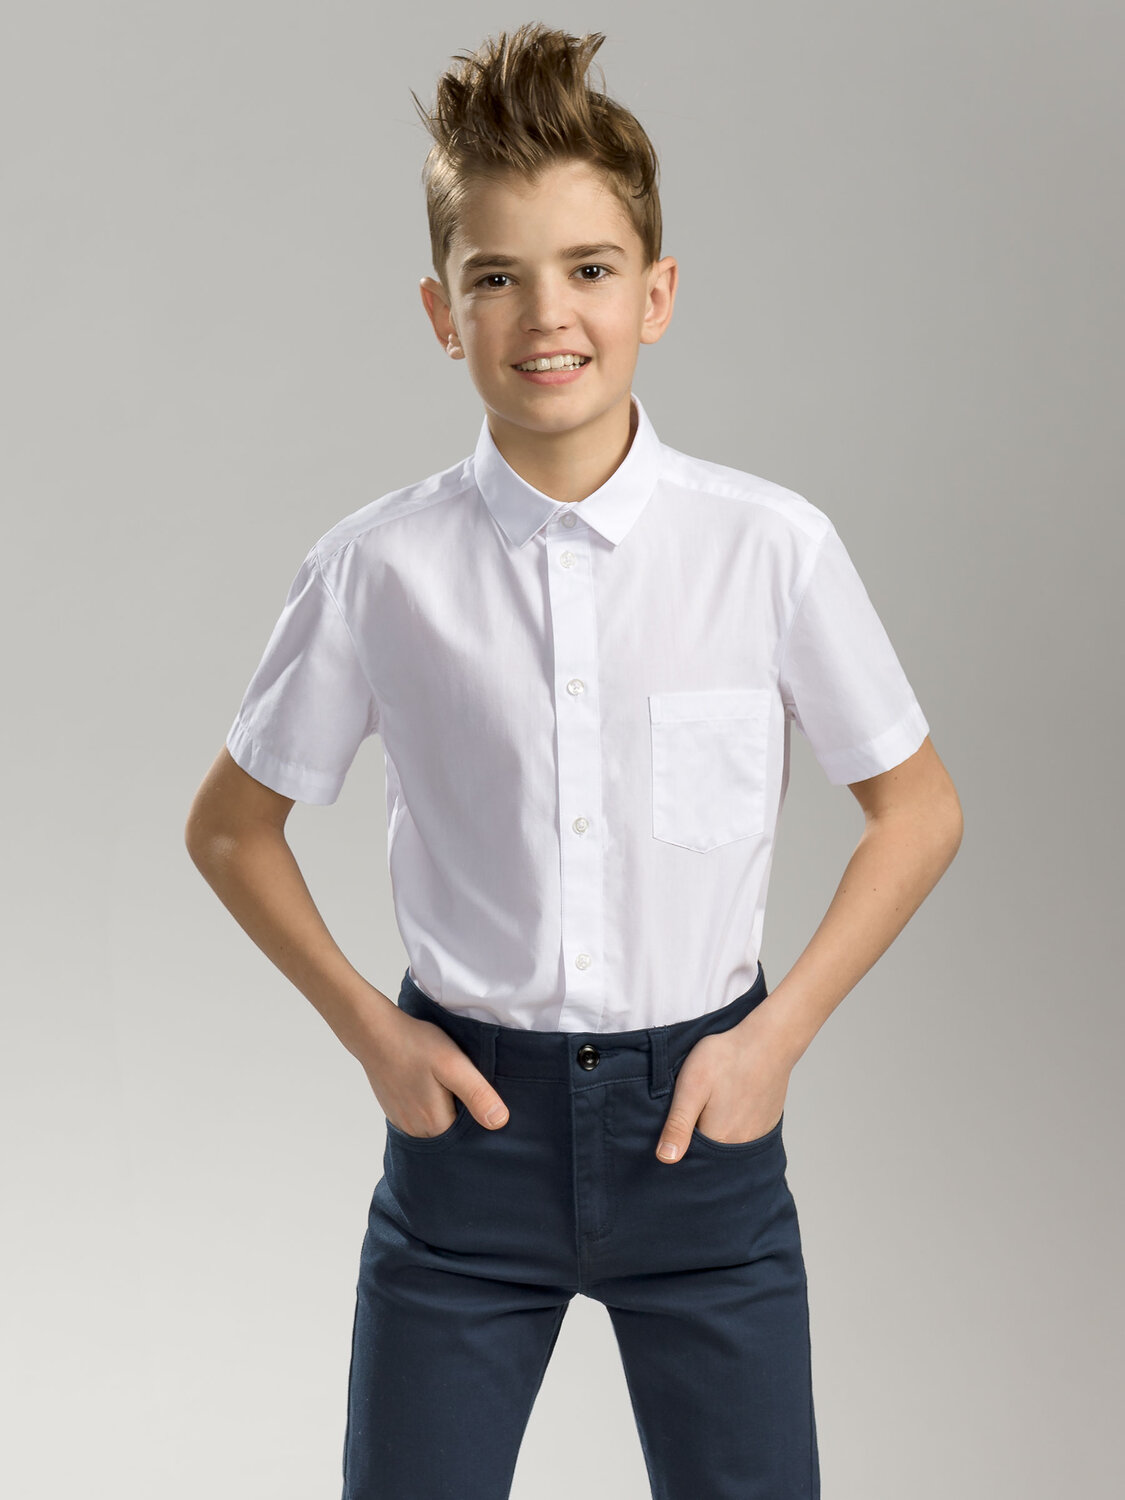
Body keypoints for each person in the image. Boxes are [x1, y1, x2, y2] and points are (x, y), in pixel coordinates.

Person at [185, 22, 963, 1500]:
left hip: (705, 1137)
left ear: (655, 292)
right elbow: (229, 828)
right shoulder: (376, 572)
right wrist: (372, 1033)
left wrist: (778, 1037)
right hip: (467, 1143)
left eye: (590, 268)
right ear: (442, 312)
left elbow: (917, 811)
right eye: (497, 277)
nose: (548, 315)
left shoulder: (769, 551)